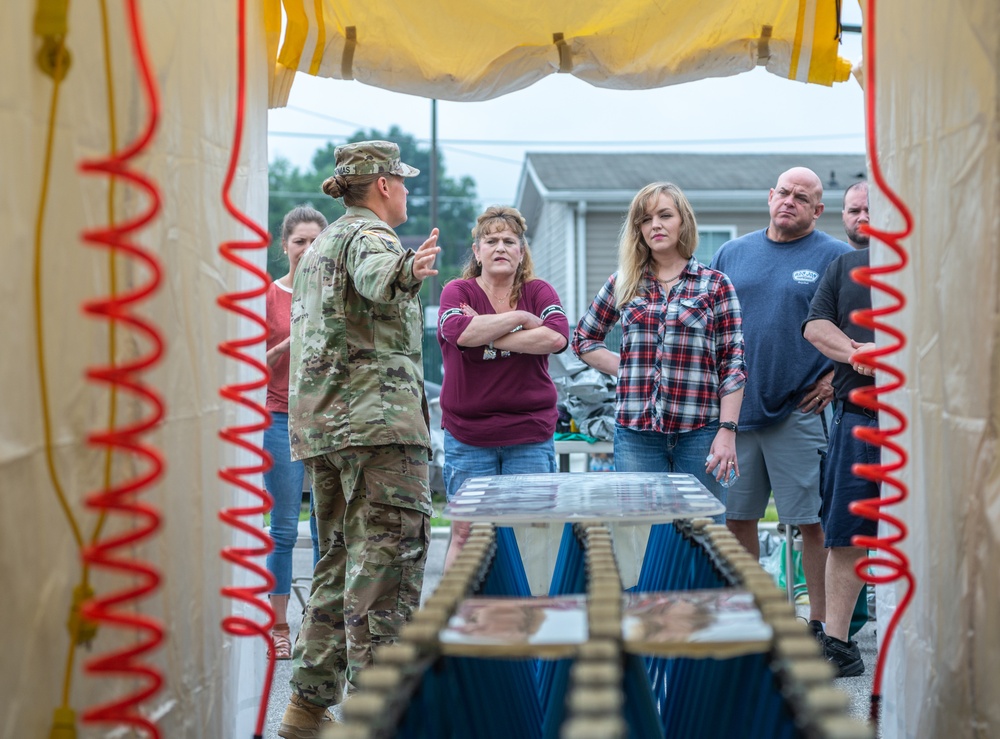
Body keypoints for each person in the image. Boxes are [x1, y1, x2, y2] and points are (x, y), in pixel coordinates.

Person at [277, 140, 441, 738]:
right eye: (402, 181)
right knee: (386, 569)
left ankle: (305, 710)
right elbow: (379, 278)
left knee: (338, 562)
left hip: (325, 429)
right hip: (378, 428)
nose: (407, 190)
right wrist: (407, 270)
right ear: (383, 186)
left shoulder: (319, 246)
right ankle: (379, 716)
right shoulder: (372, 236)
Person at [709, 167, 851, 636]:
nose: (789, 201)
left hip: (800, 410)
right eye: (784, 192)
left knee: (812, 523)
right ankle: (752, 617)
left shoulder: (836, 257)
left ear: (818, 209)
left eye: (801, 197)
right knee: (737, 518)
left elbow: (859, 329)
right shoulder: (732, 253)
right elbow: (712, 323)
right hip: (736, 412)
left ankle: (820, 624)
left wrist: (832, 378)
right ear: (770, 196)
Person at [572, 182, 746, 516]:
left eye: (665, 215)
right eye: (645, 219)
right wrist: (629, 369)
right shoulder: (624, 282)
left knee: (703, 532)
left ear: (683, 222)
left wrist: (727, 431)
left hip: (700, 433)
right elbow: (583, 339)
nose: (656, 225)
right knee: (641, 532)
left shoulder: (715, 285)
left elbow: (733, 364)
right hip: (636, 436)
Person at [436, 206, 569, 570]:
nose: (500, 248)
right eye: (491, 240)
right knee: (466, 533)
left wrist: (489, 334)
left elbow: (557, 337)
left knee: (531, 532)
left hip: (529, 435)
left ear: (521, 252)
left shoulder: (538, 291)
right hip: (468, 437)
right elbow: (458, 332)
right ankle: (460, 606)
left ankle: (526, 605)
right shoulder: (457, 290)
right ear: (476, 251)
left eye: (509, 241)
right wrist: (522, 319)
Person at [802, 180, 877, 677]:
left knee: (928, 534)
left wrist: (892, 354)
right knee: (845, 536)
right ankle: (839, 645)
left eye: (870, 208)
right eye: (853, 210)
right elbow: (815, 327)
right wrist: (858, 353)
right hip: (856, 420)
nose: (861, 217)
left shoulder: (922, 266)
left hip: (919, 425)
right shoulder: (841, 267)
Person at [263, 206, 325, 661]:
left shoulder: (337, 294)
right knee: (283, 529)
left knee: (327, 529)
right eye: (299, 241)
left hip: (326, 421)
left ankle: (320, 628)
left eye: (315, 241)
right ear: (284, 245)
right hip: (280, 419)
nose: (306, 249)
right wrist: (290, 341)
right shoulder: (268, 297)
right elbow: (251, 365)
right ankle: (279, 628)